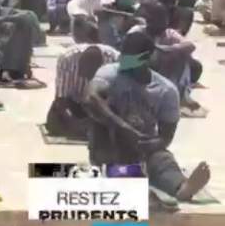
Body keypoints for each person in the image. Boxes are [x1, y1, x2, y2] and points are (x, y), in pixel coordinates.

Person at [85, 32, 210, 201]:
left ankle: (182, 188)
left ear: (148, 57)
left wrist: (147, 144)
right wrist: (122, 126)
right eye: (124, 56)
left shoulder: (166, 91)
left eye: (131, 58)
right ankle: (132, 181)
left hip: (142, 144)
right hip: (108, 140)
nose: (124, 62)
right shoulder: (109, 73)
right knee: (111, 161)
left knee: (162, 160)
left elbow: (165, 137)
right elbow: (90, 97)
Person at [44, 19, 119, 140]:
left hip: (104, 107)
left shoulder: (115, 58)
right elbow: (61, 100)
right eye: (84, 71)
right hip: (75, 105)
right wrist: (74, 122)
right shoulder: (67, 58)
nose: (87, 76)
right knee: (54, 121)